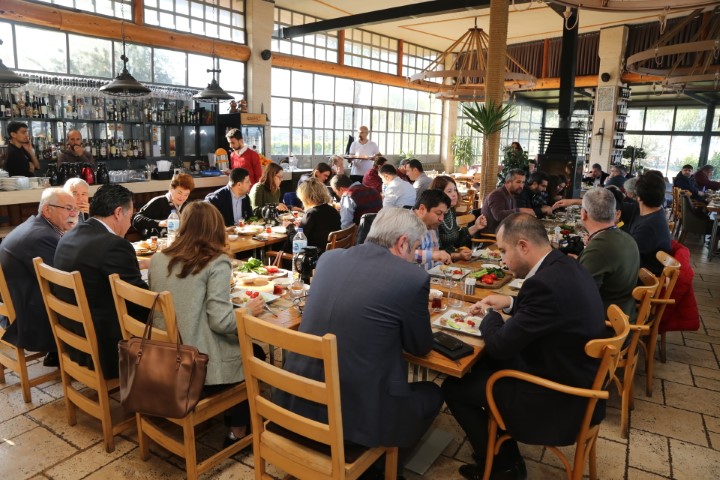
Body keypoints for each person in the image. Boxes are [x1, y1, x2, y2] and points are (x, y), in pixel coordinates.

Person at [276, 208, 443, 475]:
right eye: (414, 250)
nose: (413, 257)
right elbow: (420, 347)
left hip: (292, 404)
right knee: (433, 394)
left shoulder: (329, 259)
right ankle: (378, 469)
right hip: (351, 424)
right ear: (402, 243)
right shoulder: (412, 278)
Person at [442, 213, 607, 480]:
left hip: (560, 397)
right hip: (577, 374)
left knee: (455, 387)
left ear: (523, 246)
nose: (502, 260)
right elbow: (546, 311)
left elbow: (498, 346)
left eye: (503, 251)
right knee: (481, 367)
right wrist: (509, 303)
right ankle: (503, 452)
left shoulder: (543, 284)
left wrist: (490, 315)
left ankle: (501, 468)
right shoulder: (565, 264)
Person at [148, 201, 264, 447]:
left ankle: (231, 416)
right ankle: (237, 430)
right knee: (254, 353)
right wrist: (248, 311)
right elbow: (221, 322)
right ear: (216, 228)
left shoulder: (158, 259)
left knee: (242, 347)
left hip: (163, 356)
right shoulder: (216, 262)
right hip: (196, 364)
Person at [54, 184, 148, 379]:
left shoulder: (69, 235)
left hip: (73, 338)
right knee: (175, 317)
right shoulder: (114, 245)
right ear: (118, 212)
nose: (130, 224)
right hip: (106, 349)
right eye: (130, 217)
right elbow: (139, 303)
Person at [0, 188, 79, 367]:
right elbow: (62, 282)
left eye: (75, 209)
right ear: (47, 210)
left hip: (18, 301)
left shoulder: (36, 226)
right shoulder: (42, 237)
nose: (74, 213)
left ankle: (58, 355)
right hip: (27, 317)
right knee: (89, 302)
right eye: (68, 208)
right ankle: (82, 359)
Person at [577, 188, 640, 320]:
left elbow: (581, 296)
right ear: (614, 213)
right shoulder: (627, 237)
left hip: (606, 320)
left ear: (584, 214)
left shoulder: (599, 248)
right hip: (624, 310)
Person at [430, 176, 487, 261]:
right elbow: (437, 252)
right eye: (449, 191)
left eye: (455, 190)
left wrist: (476, 227)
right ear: (438, 194)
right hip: (440, 262)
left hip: (451, 259)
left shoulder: (450, 211)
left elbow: (457, 240)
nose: (454, 194)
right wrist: (458, 255)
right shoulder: (433, 217)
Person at [282, 178, 340, 255]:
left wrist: (290, 227)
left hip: (312, 257)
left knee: (282, 246)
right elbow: (319, 227)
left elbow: (296, 242)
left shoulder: (311, 214)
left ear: (305, 197)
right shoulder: (333, 210)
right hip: (329, 254)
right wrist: (303, 224)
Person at [630, 173, 672, 276]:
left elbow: (628, 257)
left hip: (641, 277)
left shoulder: (648, 227)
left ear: (639, 197)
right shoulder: (656, 213)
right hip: (642, 267)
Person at [133, 173, 195, 237]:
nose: (182, 197)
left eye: (186, 195)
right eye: (179, 193)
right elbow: (137, 220)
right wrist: (159, 223)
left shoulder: (187, 206)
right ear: (171, 189)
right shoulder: (159, 202)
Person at [480, 169, 535, 233]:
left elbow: (512, 216)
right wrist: (520, 210)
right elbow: (498, 216)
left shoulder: (511, 194)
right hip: (493, 235)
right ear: (508, 182)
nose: (521, 186)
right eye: (518, 182)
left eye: (523, 182)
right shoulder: (497, 194)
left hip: (506, 231)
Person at [414, 189, 452, 269]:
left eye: (444, 214)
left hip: (431, 275)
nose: (441, 219)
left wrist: (442, 267)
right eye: (438, 213)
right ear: (422, 209)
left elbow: (436, 257)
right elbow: (403, 255)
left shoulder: (432, 225)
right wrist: (432, 255)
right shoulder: (404, 225)